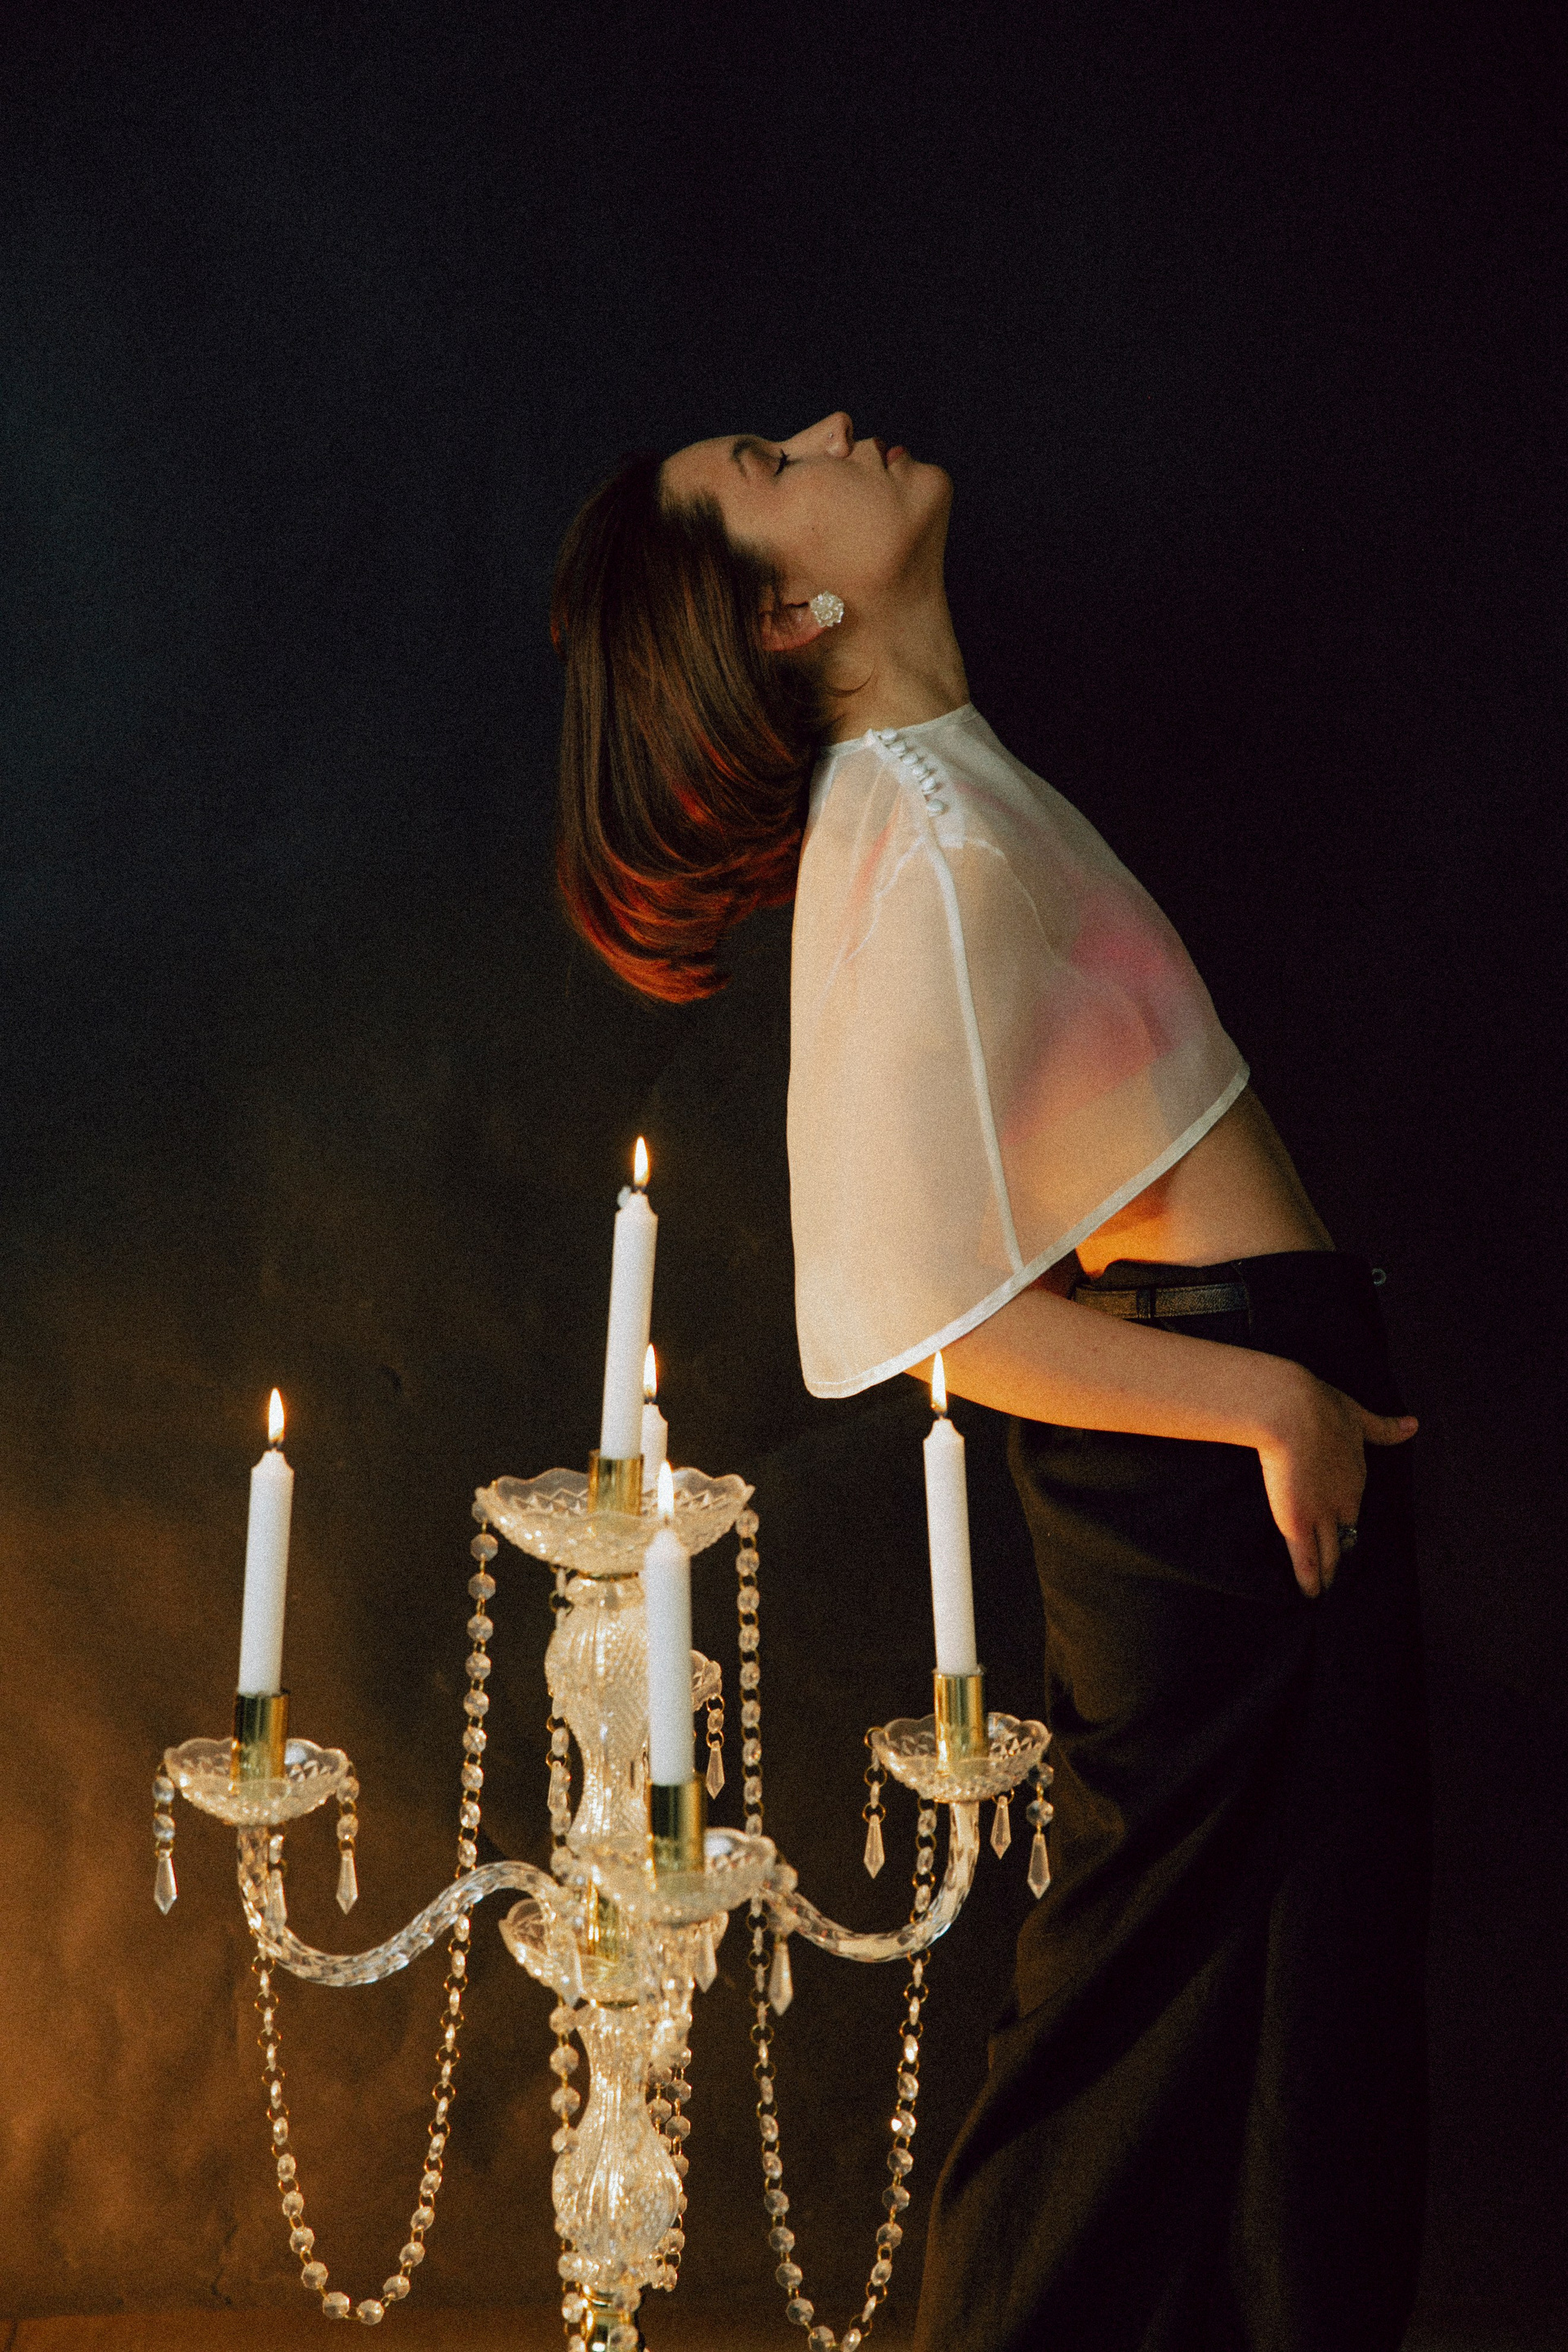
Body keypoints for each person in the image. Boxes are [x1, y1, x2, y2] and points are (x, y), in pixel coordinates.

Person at [550, 412, 1429, 2352]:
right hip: (1211, 1456)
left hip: (1244, 1416)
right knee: (1143, 2040)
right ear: (790, 612)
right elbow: (906, 1314)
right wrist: (1268, 1405)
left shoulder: (946, 789)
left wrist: (1289, 1383)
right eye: (773, 458)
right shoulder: (913, 835)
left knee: (1289, 2038)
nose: (830, 430)